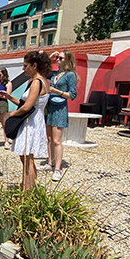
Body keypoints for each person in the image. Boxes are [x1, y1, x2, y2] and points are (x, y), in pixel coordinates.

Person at [0, 50, 51, 190]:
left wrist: (12, 114)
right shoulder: (41, 81)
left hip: (31, 122)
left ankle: (28, 191)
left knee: (28, 158)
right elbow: (26, 103)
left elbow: (27, 106)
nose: (23, 69)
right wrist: (9, 97)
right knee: (26, 157)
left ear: (34, 66)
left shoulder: (36, 82)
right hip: (33, 119)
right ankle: (28, 187)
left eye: (25, 65)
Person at [43, 50, 78, 181]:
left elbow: (72, 95)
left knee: (57, 140)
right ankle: (50, 162)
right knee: (50, 139)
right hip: (50, 106)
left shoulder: (70, 75)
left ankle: (57, 169)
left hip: (60, 107)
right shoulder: (54, 73)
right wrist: (50, 58)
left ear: (67, 60)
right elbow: (42, 70)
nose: (58, 60)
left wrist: (56, 91)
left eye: (60, 58)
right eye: (57, 58)